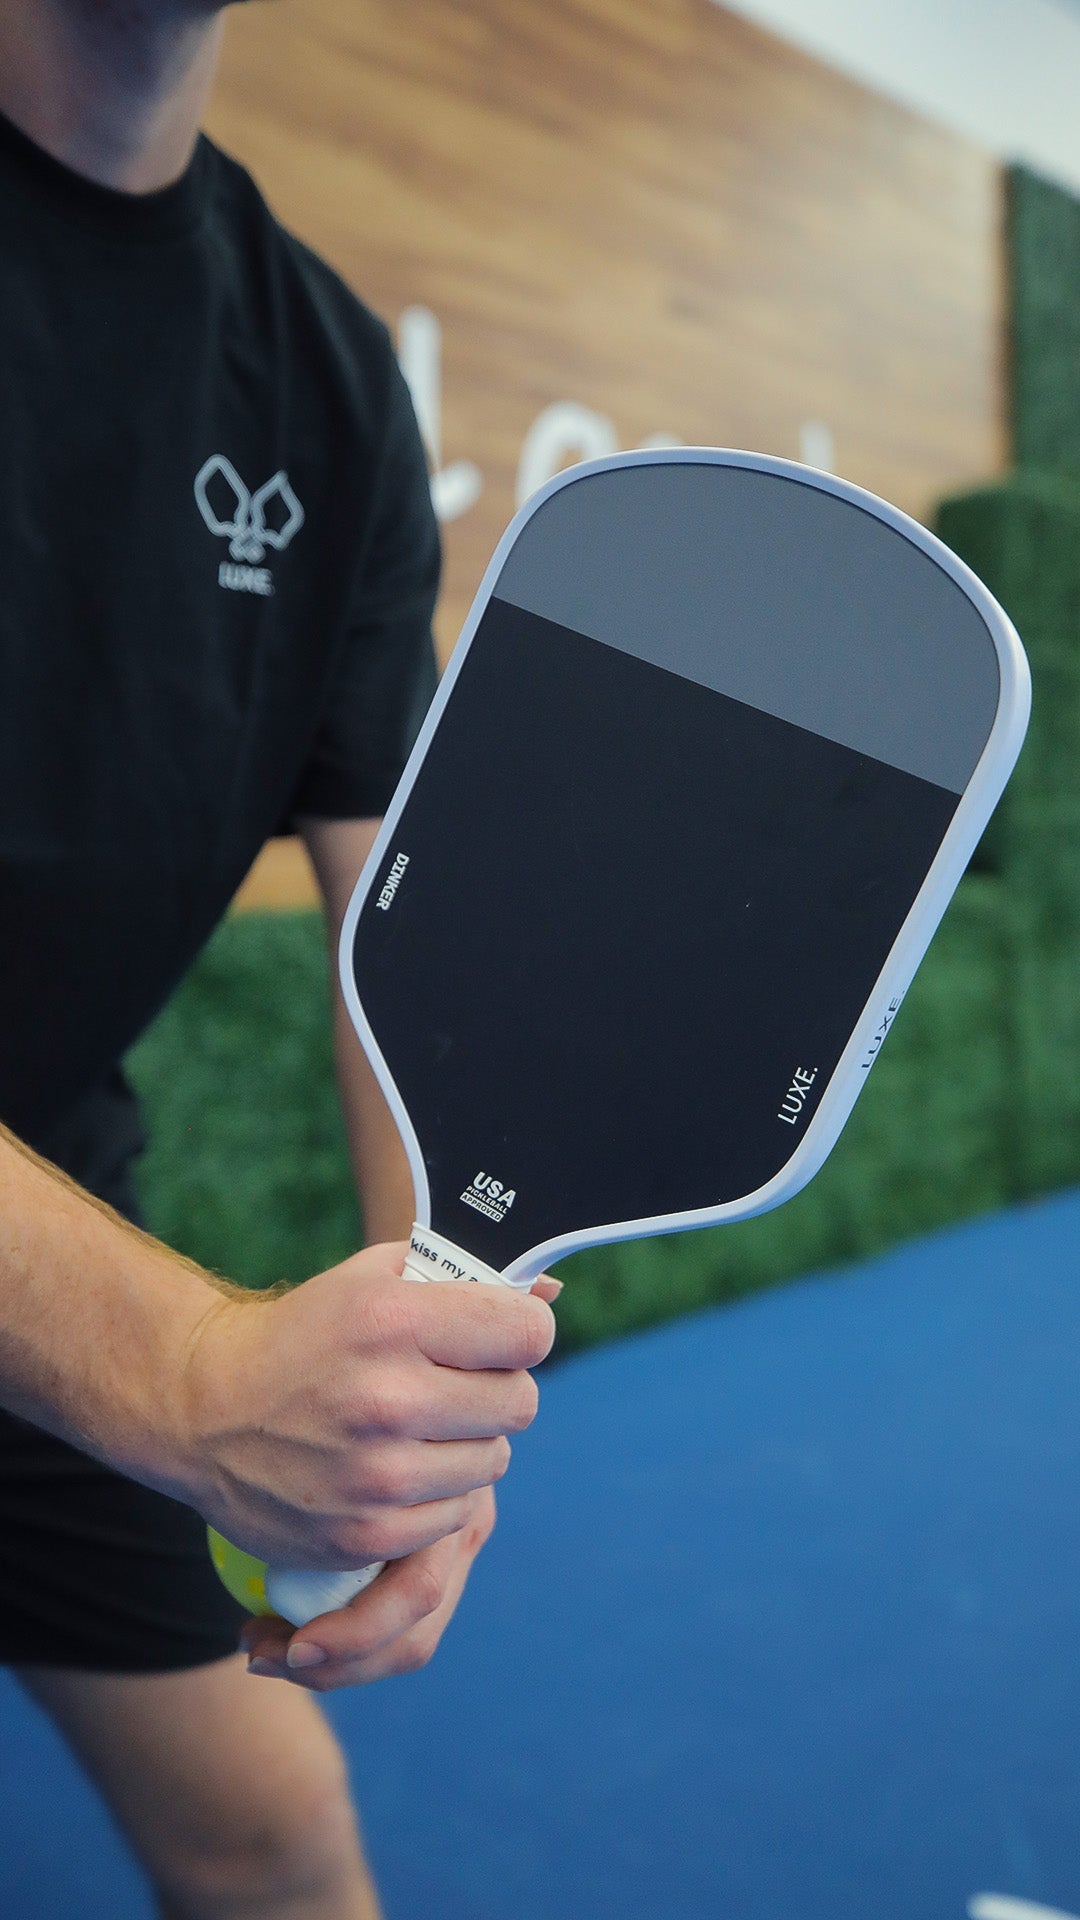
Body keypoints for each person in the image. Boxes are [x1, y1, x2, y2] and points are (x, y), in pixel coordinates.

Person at [0, 1, 559, 1914]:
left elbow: (411, 937)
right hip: (93, 1322)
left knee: (275, 1850)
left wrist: (427, 1372)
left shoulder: (320, 376)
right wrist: (178, 1365)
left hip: (44, 1241)